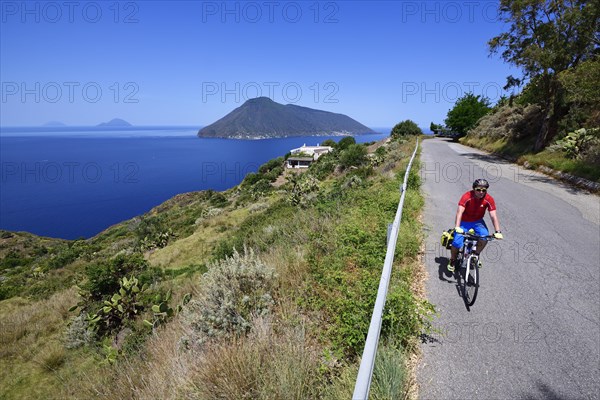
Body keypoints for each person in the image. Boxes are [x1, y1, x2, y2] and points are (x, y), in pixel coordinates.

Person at [448, 179, 503, 272]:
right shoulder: (467, 196)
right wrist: (457, 227)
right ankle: (452, 259)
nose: (481, 192)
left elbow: (493, 215)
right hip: (464, 221)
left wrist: (497, 231)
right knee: (457, 243)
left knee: (484, 237)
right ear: (474, 189)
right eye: (478, 189)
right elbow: (459, 212)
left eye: (484, 190)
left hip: (478, 222)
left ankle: (476, 255)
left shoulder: (489, 199)